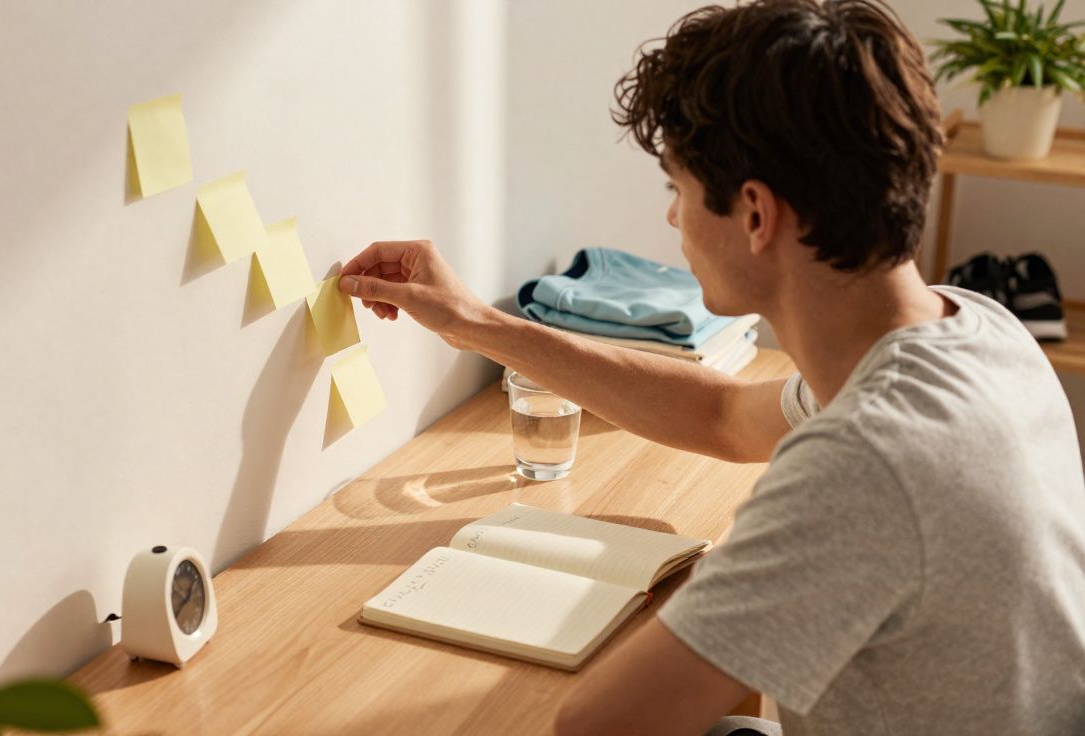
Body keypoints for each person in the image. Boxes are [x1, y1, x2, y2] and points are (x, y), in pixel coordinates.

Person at [337, 0, 1085, 734]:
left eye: (679, 189)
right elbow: (723, 416)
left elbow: (599, 727)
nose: (672, 218)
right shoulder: (974, 329)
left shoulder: (869, 462)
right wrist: (477, 324)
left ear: (756, 214)